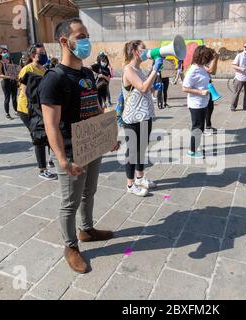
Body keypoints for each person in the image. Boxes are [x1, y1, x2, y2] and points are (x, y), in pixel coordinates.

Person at [39, 18, 118, 273]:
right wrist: (62, 159)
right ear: (65, 41)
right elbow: (51, 125)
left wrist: (108, 137)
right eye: (81, 36)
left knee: (90, 192)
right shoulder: (54, 79)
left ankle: (87, 230)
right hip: (72, 151)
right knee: (69, 202)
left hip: (91, 146)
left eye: (86, 36)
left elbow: (93, 108)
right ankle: (70, 246)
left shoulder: (85, 73)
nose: (86, 41)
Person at [122, 40, 161, 197]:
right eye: (143, 49)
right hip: (132, 118)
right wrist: (154, 70)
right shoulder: (128, 69)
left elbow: (147, 90)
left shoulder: (139, 69)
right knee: (132, 151)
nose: (146, 51)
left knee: (142, 148)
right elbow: (142, 87)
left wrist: (155, 86)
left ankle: (139, 178)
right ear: (134, 51)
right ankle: (130, 184)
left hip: (145, 115)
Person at [17, 43, 57, 181]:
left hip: (40, 109)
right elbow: (24, 91)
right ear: (33, 55)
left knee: (48, 133)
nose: (44, 55)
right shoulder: (27, 69)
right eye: (42, 53)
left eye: (45, 52)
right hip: (27, 110)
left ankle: (51, 159)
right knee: (39, 137)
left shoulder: (45, 70)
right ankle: (42, 169)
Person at [183, 45, 216, 159]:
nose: (208, 60)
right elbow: (184, 88)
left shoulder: (201, 67)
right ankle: (192, 151)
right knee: (197, 127)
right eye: (208, 58)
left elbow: (212, 70)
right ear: (202, 57)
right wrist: (201, 92)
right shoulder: (193, 70)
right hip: (196, 103)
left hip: (203, 102)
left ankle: (196, 146)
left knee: (200, 127)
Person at [0, 48, 18, 119]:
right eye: (3, 52)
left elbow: (14, 70)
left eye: (6, 52)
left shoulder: (10, 61)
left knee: (14, 97)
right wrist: (8, 77)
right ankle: (7, 113)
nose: (5, 53)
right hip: (5, 81)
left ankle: (16, 111)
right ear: (0, 54)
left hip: (13, 81)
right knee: (7, 98)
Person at [205, 49, 219, 135]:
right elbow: (212, 71)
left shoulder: (206, 63)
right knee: (205, 108)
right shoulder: (200, 64)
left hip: (208, 85)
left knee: (210, 107)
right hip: (203, 87)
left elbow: (212, 72)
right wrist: (215, 59)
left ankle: (208, 126)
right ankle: (204, 128)